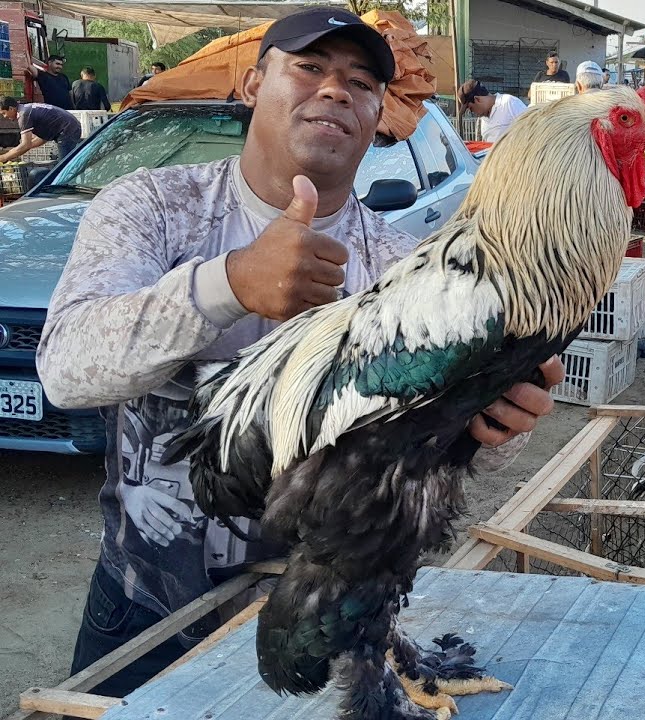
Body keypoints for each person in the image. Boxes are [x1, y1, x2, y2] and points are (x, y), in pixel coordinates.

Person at [35, 7, 561, 697]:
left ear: (382, 113)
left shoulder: (407, 267)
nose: (336, 90)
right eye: (310, 68)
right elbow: (66, 371)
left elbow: (441, 452)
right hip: (147, 606)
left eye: (363, 81)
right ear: (254, 84)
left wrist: (501, 426)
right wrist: (227, 283)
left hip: (329, 616)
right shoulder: (153, 206)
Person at [0, 98, 83, 161]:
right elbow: (42, 139)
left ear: (11, 108)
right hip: (71, 126)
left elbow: (26, 145)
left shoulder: (23, 115)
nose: (5, 117)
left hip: (68, 129)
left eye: (4, 113)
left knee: (64, 166)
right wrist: (16, 151)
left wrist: (4, 157)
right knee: (64, 162)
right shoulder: (27, 108)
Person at [460, 79, 528, 143]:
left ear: (477, 99)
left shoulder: (509, 103)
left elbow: (531, 128)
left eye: (471, 108)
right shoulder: (482, 121)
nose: (472, 112)